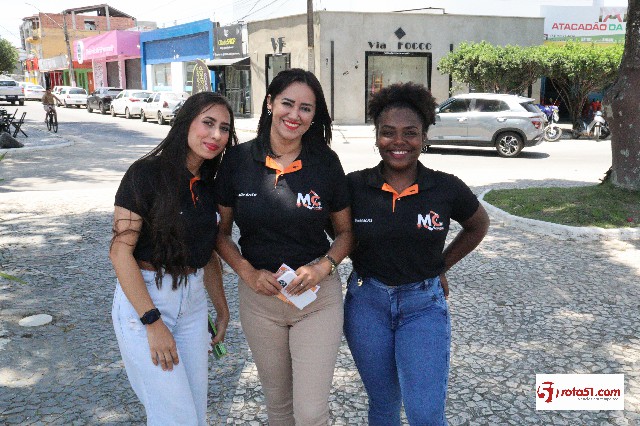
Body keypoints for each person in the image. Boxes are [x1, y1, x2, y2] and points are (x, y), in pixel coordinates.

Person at [344, 82, 490, 426]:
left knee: (425, 413)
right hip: (366, 306)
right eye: (388, 132)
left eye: (410, 133)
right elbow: (339, 234)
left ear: (424, 136)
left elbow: (477, 225)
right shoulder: (354, 186)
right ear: (376, 136)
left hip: (423, 307)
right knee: (383, 405)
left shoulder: (445, 187)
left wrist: (439, 265)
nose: (398, 142)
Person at [215, 68, 353, 425]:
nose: (295, 115)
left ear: (314, 115)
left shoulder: (325, 163)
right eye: (287, 104)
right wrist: (247, 272)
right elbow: (221, 233)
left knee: (310, 413)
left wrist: (323, 267)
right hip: (260, 302)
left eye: (306, 108)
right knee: (278, 407)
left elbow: (346, 233)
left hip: (316, 301)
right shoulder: (238, 161)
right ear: (270, 103)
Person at [110, 92, 237, 425]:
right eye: (208, 123)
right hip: (147, 301)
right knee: (175, 417)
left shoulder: (209, 184)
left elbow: (207, 253)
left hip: (193, 306)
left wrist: (222, 309)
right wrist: (152, 322)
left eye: (224, 128)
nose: (216, 135)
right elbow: (120, 252)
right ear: (185, 123)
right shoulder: (145, 174)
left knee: (194, 413)